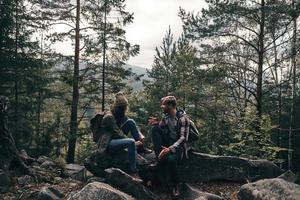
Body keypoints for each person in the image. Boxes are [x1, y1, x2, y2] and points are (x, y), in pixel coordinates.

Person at [97, 92, 148, 179]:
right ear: (118, 108)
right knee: (131, 142)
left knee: (131, 122)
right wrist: (134, 143)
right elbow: (119, 134)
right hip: (108, 143)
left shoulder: (119, 115)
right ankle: (133, 171)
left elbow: (131, 123)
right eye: (123, 108)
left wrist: (140, 135)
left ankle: (141, 148)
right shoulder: (109, 117)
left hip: (116, 139)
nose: (124, 109)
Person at [148, 96, 190, 197]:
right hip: (169, 141)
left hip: (179, 146)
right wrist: (157, 123)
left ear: (171, 105)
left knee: (171, 160)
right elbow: (161, 129)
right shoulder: (166, 116)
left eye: (164, 105)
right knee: (155, 129)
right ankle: (159, 158)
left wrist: (169, 149)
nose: (161, 107)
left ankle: (176, 185)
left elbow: (183, 138)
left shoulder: (183, 119)